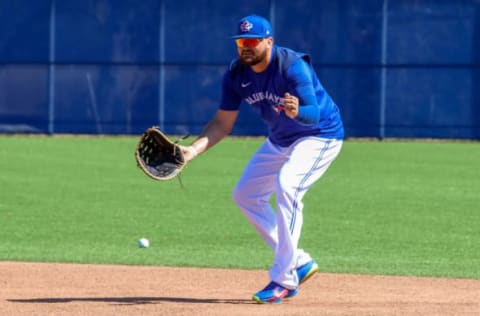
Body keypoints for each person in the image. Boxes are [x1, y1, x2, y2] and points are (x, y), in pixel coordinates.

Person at [180, 14, 344, 304]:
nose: (246, 47)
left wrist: (297, 112)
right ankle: (300, 261)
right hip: (281, 139)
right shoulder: (236, 75)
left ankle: (284, 279)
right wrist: (192, 151)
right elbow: (221, 123)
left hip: (319, 135)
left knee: (288, 186)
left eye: (253, 41)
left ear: (269, 41)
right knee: (245, 195)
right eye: (242, 42)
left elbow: (314, 114)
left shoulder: (292, 67)